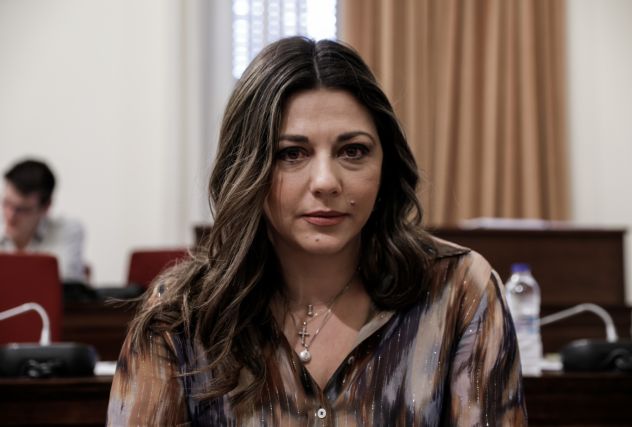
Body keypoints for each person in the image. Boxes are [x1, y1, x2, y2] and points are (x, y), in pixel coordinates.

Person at [108, 37, 526, 425]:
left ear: (386, 165)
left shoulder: (458, 289)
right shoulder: (180, 314)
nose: (326, 182)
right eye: (292, 153)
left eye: (353, 151)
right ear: (246, 168)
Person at [1, 159, 86, 283]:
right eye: (6, 203)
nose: (10, 216)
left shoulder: (67, 231)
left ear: (46, 207)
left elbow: (64, 283)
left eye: (22, 209)